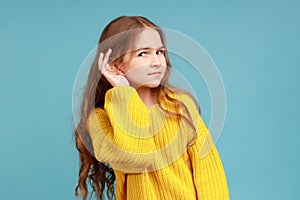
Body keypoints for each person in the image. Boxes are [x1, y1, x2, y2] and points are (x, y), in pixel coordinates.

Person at [74, 15, 230, 200]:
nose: (157, 61)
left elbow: (209, 173)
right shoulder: (101, 119)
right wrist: (124, 93)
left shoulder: (180, 104)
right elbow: (138, 158)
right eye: (143, 53)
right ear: (116, 65)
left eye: (160, 52)